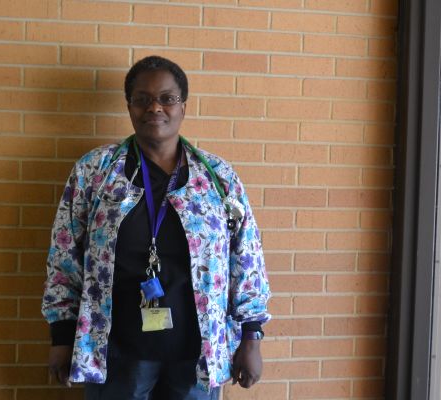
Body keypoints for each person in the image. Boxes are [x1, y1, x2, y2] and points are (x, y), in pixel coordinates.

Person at [42, 55, 271, 400]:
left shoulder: (218, 178)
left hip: (196, 354)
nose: (155, 108)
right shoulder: (95, 172)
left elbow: (247, 257)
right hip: (116, 353)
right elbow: (64, 257)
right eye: (142, 99)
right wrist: (61, 336)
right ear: (130, 106)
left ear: (183, 107)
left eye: (167, 98)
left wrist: (251, 337)